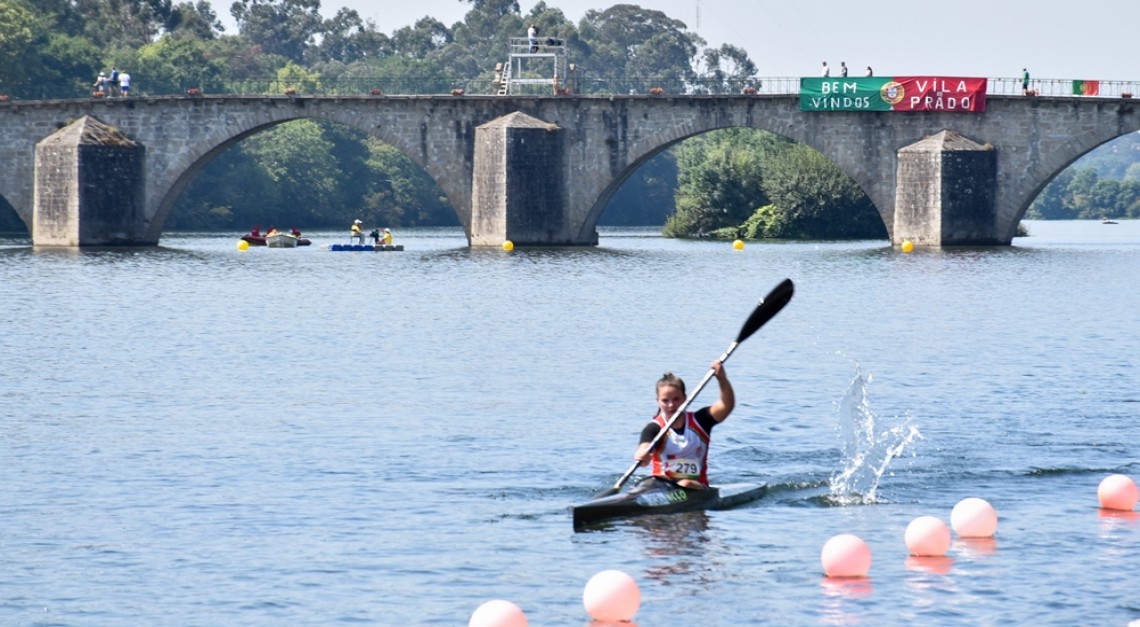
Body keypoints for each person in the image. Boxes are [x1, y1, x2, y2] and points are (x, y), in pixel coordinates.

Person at [633, 360, 734, 490]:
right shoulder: (654, 428)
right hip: (662, 486)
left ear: (685, 398)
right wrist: (642, 454)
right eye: (665, 401)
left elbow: (727, 405)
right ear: (658, 401)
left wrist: (722, 379)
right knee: (648, 483)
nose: (671, 405)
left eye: (676, 399)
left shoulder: (700, 421)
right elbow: (644, 445)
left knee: (685, 483)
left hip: (696, 486)